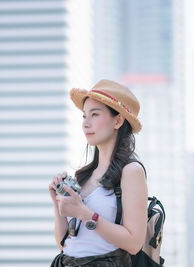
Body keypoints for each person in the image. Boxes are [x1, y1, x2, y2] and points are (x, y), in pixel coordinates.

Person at [49, 79, 148, 267]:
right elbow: (65, 245)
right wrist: (57, 203)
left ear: (118, 120)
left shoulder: (131, 171)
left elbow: (134, 243)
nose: (86, 123)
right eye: (84, 116)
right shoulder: (83, 176)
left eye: (94, 115)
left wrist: (85, 214)